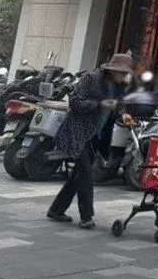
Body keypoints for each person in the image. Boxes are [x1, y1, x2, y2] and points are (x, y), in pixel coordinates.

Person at [47, 53, 134, 229]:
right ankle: (86, 216)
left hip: (96, 135)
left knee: (78, 174)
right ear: (112, 70)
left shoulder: (120, 86)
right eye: (122, 72)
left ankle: (56, 209)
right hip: (78, 131)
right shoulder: (91, 78)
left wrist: (124, 114)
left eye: (126, 73)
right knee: (86, 172)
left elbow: (119, 106)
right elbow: (75, 102)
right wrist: (99, 105)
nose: (124, 76)